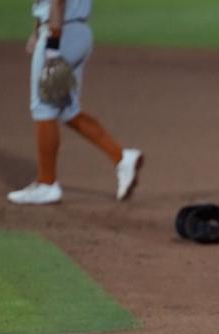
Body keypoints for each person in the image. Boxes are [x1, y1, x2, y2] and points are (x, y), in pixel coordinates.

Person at [8, 0, 142, 205]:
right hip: (78, 32)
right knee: (67, 109)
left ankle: (46, 184)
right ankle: (122, 157)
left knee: (43, 108)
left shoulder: (56, 36)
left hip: (60, 33)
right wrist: (37, 30)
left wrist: (52, 43)